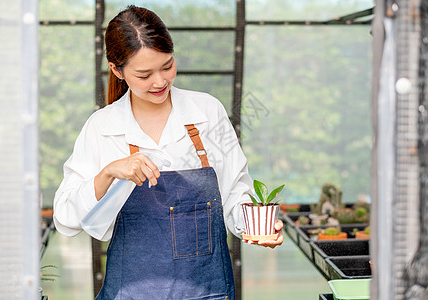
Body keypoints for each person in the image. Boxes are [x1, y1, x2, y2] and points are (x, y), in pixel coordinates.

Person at [53, 5, 283, 300]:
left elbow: (235, 192)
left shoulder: (207, 112)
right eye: (144, 74)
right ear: (117, 70)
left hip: (207, 293)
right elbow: (66, 217)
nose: (160, 81)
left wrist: (256, 226)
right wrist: (109, 172)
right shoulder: (103, 127)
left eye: (167, 66)